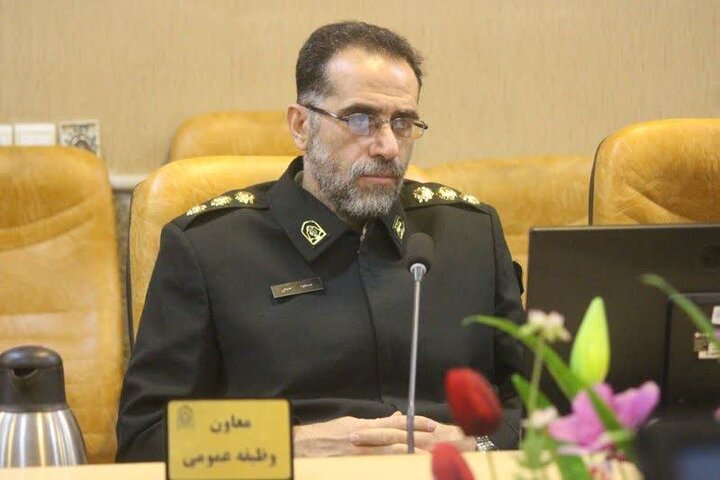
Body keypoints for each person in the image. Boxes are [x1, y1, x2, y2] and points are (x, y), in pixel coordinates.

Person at [116, 21, 524, 461]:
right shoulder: (210, 248)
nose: (387, 146)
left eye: (403, 122)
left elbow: (545, 406)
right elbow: (146, 438)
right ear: (300, 125)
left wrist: (478, 444)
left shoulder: (469, 234)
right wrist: (289, 446)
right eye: (360, 119)